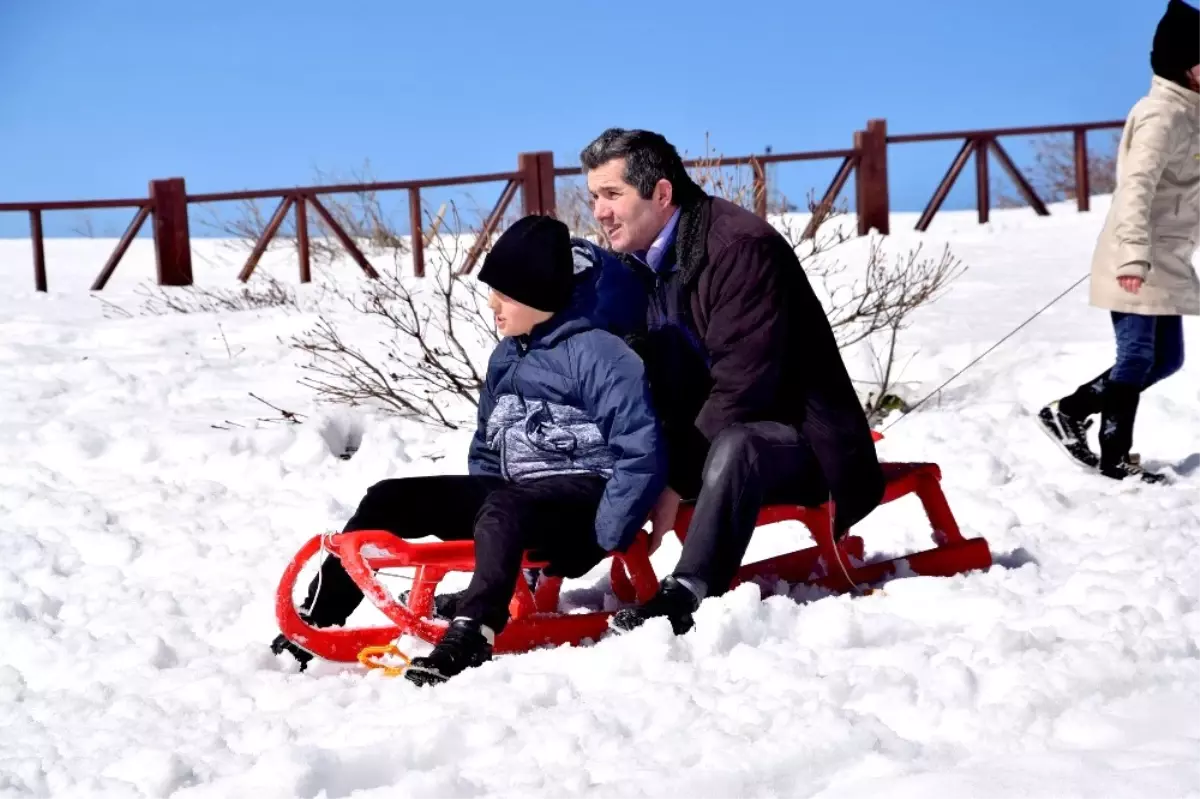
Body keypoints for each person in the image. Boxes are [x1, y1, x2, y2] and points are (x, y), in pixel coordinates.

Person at [271, 214, 665, 685]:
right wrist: (478, 493)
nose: (492, 305)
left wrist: (606, 533)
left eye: (505, 295)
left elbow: (641, 449)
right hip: (513, 500)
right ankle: (320, 619)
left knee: (504, 505)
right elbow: (488, 441)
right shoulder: (508, 354)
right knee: (388, 496)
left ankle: (475, 630)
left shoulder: (600, 355)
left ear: (540, 296)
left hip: (581, 506)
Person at [578, 127, 886, 635]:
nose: (600, 212)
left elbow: (746, 387)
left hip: (803, 441)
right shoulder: (632, 260)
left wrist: (674, 478)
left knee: (737, 444)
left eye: (612, 195)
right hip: (703, 433)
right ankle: (521, 572)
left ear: (661, 193)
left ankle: (687, 593)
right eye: (594, 197)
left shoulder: (740, 248)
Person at [1038, 0, 1200, 484]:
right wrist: (1132, 255)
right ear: (1183, 64)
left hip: (1167, 256)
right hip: (1138, 255)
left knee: (1167, 360)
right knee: (1135, 358)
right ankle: (1116, 460)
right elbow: (1135, 187)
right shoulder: (1161, 115)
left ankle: (1068, 411)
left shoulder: (1193, 116)